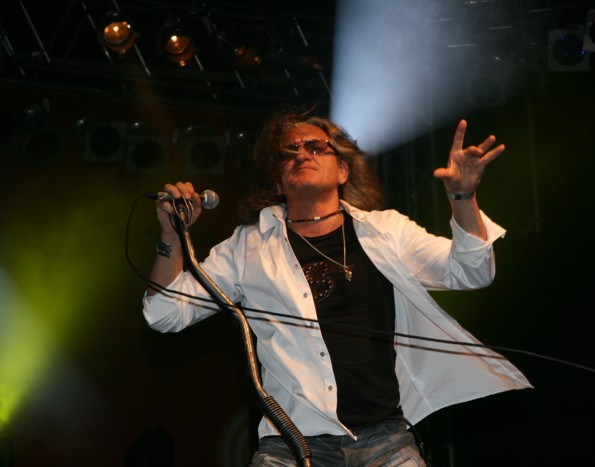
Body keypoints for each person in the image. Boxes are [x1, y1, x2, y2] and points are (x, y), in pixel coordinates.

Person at [142, 106, 531, 466]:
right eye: (289, 150)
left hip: (385, 441)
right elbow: (164, 314)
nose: (301, 154)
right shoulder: (246, 248)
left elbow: (471, 272)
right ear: (277, 179)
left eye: (315, 146)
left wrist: (463, 196)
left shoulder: (387, 231)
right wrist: (171, 237)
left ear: (343, 170)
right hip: (291, 445)